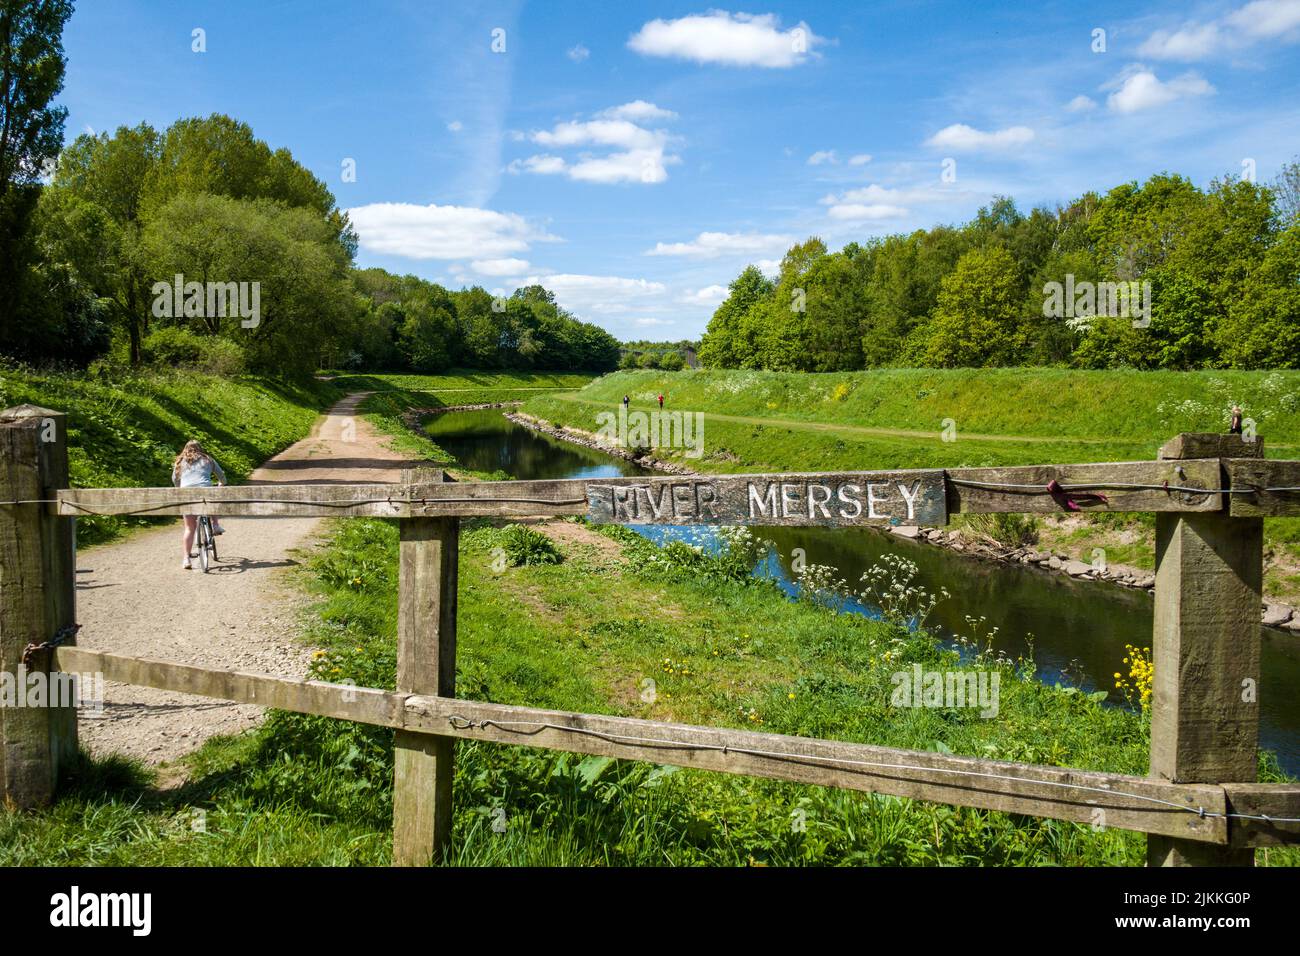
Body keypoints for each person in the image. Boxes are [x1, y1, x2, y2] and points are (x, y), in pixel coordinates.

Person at [172, 440, 227, 570]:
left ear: (185, 449)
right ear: (200, 449)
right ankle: (215, 525)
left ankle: (186, 559)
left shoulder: (179, 462)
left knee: (189, 528)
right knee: (211, 497)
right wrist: (221, 483)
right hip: (205, 493)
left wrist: (180, 488)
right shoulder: (208, 459)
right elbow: (221, 476)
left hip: (187, 494)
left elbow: (175, 480)